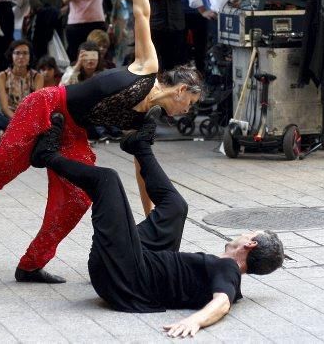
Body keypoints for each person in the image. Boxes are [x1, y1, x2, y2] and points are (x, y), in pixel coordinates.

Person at [0, 0, 204, 284]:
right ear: (182, 89)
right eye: (191, 103)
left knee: (77, 199)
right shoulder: (147, 67)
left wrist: (152, 222)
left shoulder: (146, 119)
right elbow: (142, 12)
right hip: (50, 104)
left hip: (72, 133)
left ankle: (30, 265)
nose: (188, 111)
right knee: (10, 159)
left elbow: (144, 173)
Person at [29, 111, 283, 336]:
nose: (242, 233)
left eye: (249, 232)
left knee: (107, 180)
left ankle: (47, 155)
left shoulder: (228, 271)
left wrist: (195, 321)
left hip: (122, 275)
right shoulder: (224, 269)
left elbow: (222, 303)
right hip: (138, 262)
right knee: (176, 207)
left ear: (249, 244)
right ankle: (140, 146)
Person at [0, 40, 43, 135]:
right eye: (17, 53)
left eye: (25, 53)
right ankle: (21, 132)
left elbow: (36, 105)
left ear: (30, 57)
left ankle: (5, 132)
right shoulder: (2, 76)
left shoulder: (37, 77)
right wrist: (19, 121)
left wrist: (26, 120)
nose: (21, 57)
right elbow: (4, 108)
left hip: (30, 117)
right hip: (10, 117)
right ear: (11, 56)